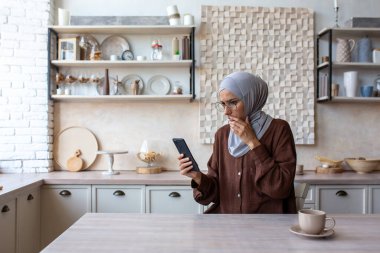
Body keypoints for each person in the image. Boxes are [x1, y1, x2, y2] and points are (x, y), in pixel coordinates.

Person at [178, 71, 297, 213]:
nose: (226, 112)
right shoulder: (222, 135)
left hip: (268, 226)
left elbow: (281, 188)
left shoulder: (279, 129)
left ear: (251, 98)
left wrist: (252, 142)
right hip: (228, 224)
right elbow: (216, 194)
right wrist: (197, 177)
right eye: (223, 104)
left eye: (233, 103)